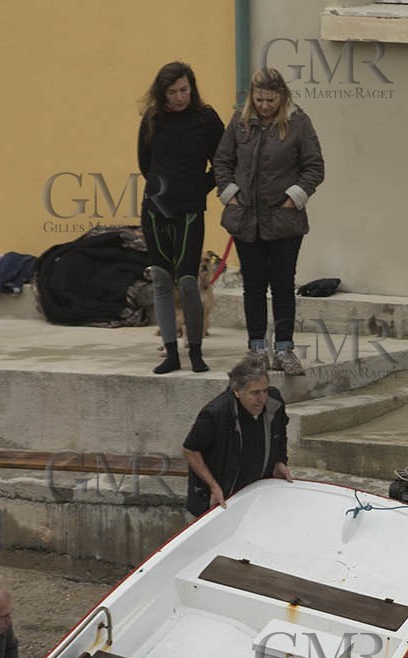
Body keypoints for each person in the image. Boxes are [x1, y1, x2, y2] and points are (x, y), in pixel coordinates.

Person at [215, 67, 326, 376]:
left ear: (282, 96)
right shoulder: (239, 123)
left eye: (270, 99)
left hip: (284, 221)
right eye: (260, 99)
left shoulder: (298, 123)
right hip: (246, 219)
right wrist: (230, 194)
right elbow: (222, 161)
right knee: (252, 285)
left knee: (282, 285)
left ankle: (285, 349)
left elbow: (314, 167)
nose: (264, 106)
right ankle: (256, 349)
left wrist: (294, 197)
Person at [138, 61, 224, 376]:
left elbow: (224, 160)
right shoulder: (152, 119)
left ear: (193, 88)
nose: (179, 97)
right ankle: (171, 352)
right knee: (162, 279)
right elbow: (145, 163)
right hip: (156, 210)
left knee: (188, 281)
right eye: (172, 92)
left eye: (184, 90)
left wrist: (199, 186)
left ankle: (196, 350)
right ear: (162, 94)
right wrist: (163, 192)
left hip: (189, 211)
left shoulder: (206, 119)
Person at [182, 354, 292, 519]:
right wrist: (213, 485)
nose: (262, 399)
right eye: (255, 393)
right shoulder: (216, 413)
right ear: (237, 391)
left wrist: (280, 460)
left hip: (255, 495)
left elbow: (281, 430)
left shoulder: (273, 402)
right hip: (217, 501)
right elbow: (190, 450)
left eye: (265, 390)